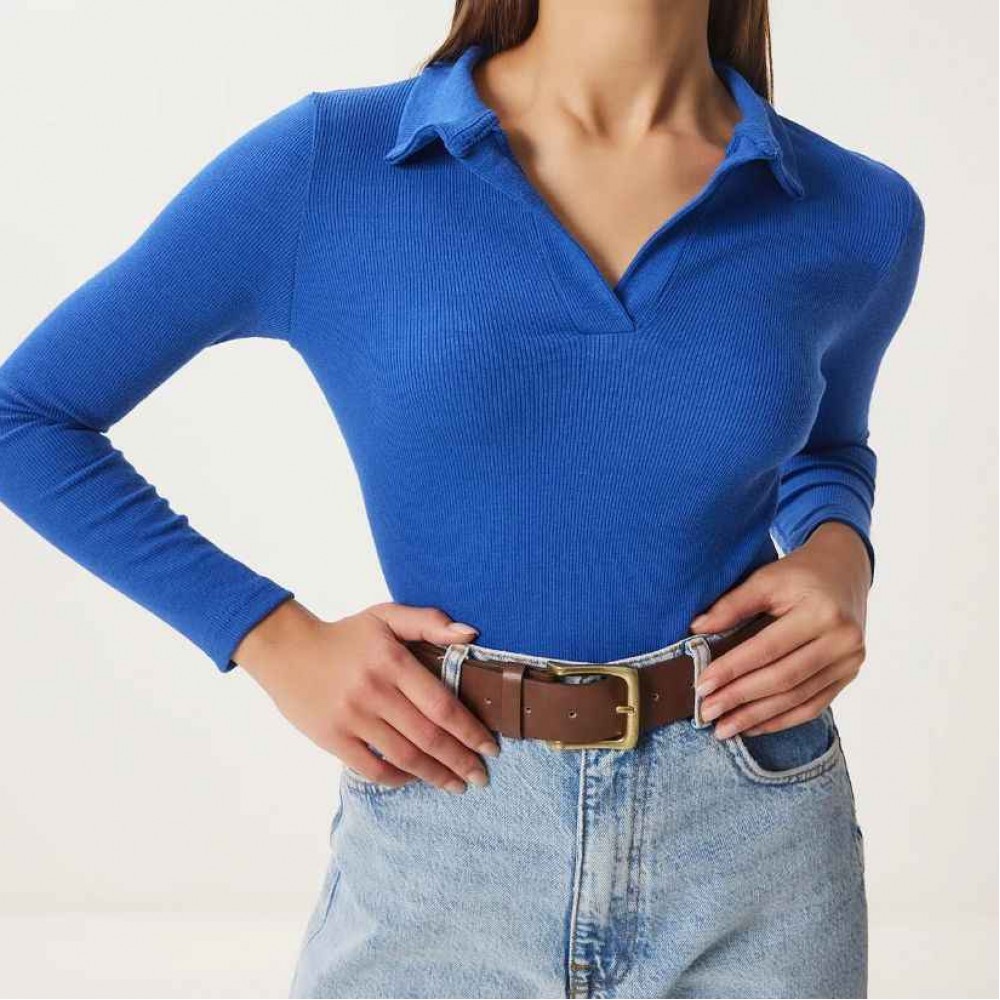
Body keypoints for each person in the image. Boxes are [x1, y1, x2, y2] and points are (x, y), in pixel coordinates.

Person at [0, 1, 924, 997]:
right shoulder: (333, 166)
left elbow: (824, 447)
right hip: (443, 825)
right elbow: (28, 418)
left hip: (754, 837)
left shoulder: (856, 212)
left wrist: (839, 552)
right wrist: (271, 637)